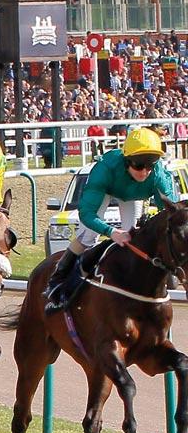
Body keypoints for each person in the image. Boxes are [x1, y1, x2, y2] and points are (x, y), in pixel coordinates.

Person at [44, 127, 175, 312]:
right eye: (138, 165)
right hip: (107, 190)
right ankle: (58, 278)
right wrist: (111, 232)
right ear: (127, 160)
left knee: (131, 236)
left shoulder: (159, 176)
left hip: (132, 197)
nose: (145, 172)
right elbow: (86, 214)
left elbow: (173, 212)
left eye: (150, 165)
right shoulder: (104, 169)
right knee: (88, 235)